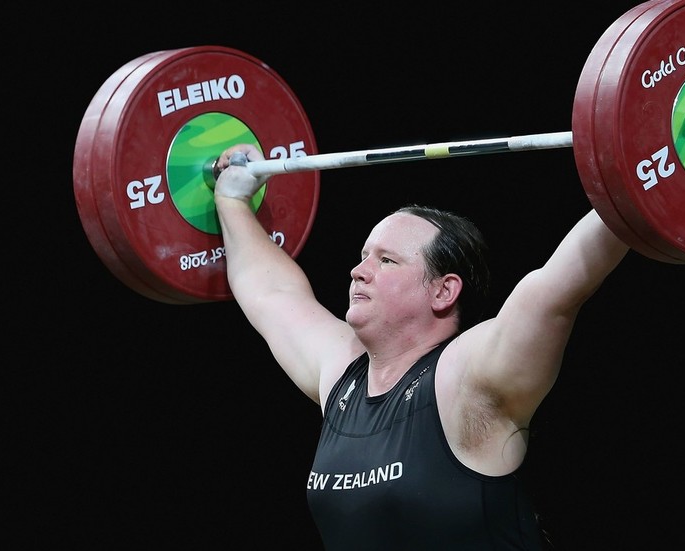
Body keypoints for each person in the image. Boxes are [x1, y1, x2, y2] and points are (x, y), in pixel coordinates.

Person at [212, 144, 630, 550]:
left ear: (443, 291)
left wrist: (638, 172)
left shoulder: (466, 378)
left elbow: (556, 289)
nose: (358, 271)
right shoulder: (342, 373)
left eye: (386, 260)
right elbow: (271, 293)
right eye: (364, 256)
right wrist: (232, 199)